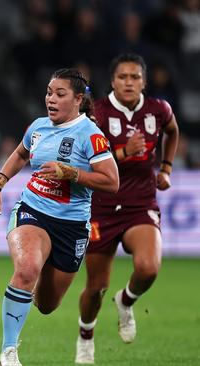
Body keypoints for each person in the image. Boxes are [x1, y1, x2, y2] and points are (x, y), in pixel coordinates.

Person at [0, 68, 119, 366]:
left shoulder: (91, 135)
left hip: (72, 226)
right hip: (33, 210)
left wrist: (71, 173)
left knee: (46, 304)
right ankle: (8, 352)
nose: (50, 99)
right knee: (27, 268)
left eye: (60, 94)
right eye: (48, 92)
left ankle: (26, 288)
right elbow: (20, 153)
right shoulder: (39, 127)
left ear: (78, 99)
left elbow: (112, 182)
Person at [75, 53, 179, 364]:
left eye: (135, 77)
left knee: (148, 268)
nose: (129, 82)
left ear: (144, 82)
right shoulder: (97, 113)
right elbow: (85, 163)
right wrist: (123, 151)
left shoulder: (158, 110)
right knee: (96, 287)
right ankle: (85, 335)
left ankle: (126, 300)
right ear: (112, 81)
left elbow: (173, 131)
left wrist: (167, 169)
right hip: (101, 207)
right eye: (123, 77)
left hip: (140, 203)